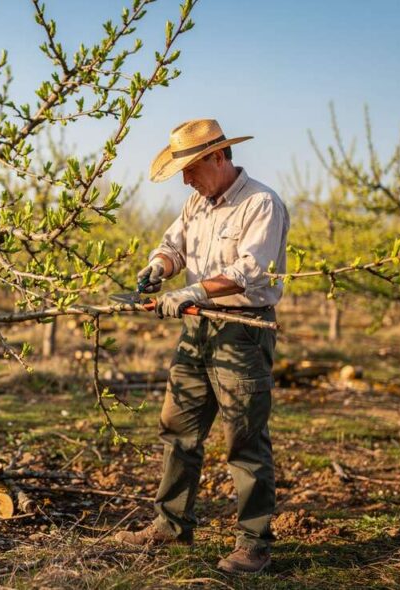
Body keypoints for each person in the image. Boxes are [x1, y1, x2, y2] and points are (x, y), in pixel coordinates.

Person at [110, 119, 289, 575]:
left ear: (218, 157)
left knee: (244, 438)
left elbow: (250, 270)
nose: (186, 179)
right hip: (198, 329)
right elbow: (174, 245)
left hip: (243, 328)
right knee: (178, 427)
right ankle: (171, 525)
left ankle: (254, 544)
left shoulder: (260, 204)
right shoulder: (196, 204)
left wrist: (194, 292)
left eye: (191, 168)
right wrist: (159, 267)